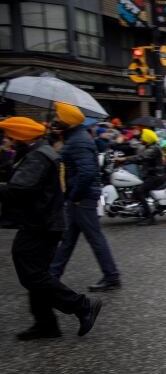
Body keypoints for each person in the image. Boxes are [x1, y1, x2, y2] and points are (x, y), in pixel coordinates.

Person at [0, 117, 101, 340]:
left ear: (21, 136)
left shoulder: (38, 155)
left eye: (9, 137)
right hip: (42, 221)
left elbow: (21, 190)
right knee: (35, 273)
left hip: (41, 223)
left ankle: (82, 305)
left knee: (32, 273)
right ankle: (46, 323)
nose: (6, 141)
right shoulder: (37, 152)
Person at [47, 102, 121, 292]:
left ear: (68, 121)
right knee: (68, 239)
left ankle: (111, 276)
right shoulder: (74, 137)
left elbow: (87, 172)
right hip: (78, 198)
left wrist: (75, 195)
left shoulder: (78, 141)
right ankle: (52, 275)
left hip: (82, 198)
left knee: (94, 238)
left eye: (59, 118)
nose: (56, 121)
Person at [115, 129, 166, 226]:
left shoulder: (154, 149)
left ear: (147, 138)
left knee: (138, 191)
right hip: (151, 175)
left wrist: (124, 159)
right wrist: (123, 161)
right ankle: (142, 211)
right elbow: (138, 156)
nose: (141, 138)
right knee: (136, 189)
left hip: (156, 176)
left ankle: (150, 218)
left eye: (143, 137)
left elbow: (141, 157)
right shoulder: (149, 147)